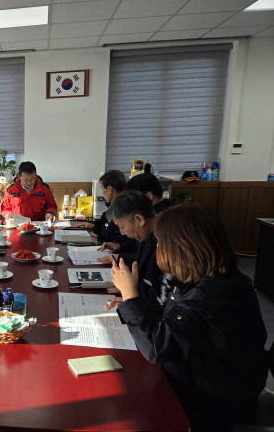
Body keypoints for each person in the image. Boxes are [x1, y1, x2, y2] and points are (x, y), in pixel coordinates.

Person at [111, 203, 268, 432]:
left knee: (125, 405)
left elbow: (157, 347)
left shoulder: (215, 294)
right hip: (197, 377)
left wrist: (131, 296)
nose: (158, 250)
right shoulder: (203, 279)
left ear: (182, 247)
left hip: (213, 402)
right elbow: (173, 316)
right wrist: (131, 304)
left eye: (161, 244)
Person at [102, 190, 162, 307]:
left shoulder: (165, 242)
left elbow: (162, 296)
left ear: (139, 219)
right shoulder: (146, 235)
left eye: (122, 227)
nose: (122, 233)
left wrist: (130, 291)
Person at [98, 172, 171, 263]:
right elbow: (139, 245)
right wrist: (120, 246)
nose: (122, 232)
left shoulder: (163, 225)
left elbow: (146, 260)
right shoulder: (149, 224)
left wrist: (121, 258)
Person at [79, 169, 130, 244]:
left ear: (110, 189)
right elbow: (106, 228)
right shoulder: (114, 207)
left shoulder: (121, 210)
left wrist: (104, 242)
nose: (102, 193)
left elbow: (120, 240)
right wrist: (94, 228)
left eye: (102, 189)